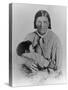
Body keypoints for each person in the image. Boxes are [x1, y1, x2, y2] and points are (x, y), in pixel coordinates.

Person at [17, 10, 62, 75]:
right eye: (39, 22)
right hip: (30, 75)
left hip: (49, 76)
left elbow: (58, 67)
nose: (42, 25)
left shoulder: (56, 40)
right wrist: (26, 62)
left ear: (49, 23)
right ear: (35, 23)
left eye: (45, 22)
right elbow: (18, 55)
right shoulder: (29, 36)